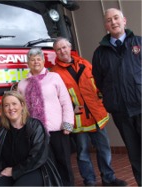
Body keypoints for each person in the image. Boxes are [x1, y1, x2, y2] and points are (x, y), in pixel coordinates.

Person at [51, 37, 128, 186]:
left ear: (70, 48)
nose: (62, 51)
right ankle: (90, 180)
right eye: (58, 49)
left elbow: (99, 84)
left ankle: (109, 178)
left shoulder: (85, 64)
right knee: (83, 152)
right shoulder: (54, 73)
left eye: (64, 47)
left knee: (104, 149)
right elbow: (56, 99)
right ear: (55, 53)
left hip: (96, 116)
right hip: (78, 120)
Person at [92, 8, 141, 186]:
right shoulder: (99, 53)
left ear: (124, 20)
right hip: (121, 113)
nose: (113, 22)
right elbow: (99, 81)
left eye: (116, 18)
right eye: (109, 20)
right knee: (135, 154)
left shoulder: (139, 43)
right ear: (105, 25)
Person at [17, 48, 75, 186]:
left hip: (58, 130)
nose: (36, 62)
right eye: (32, 59)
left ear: (43, 61)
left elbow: (65, 101)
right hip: (37, 133)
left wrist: (67, 124)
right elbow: (22, 109)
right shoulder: (22, 84)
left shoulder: (54, 77)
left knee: (64, 162)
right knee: (48, 165)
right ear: (28, 63)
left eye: (38, 59)